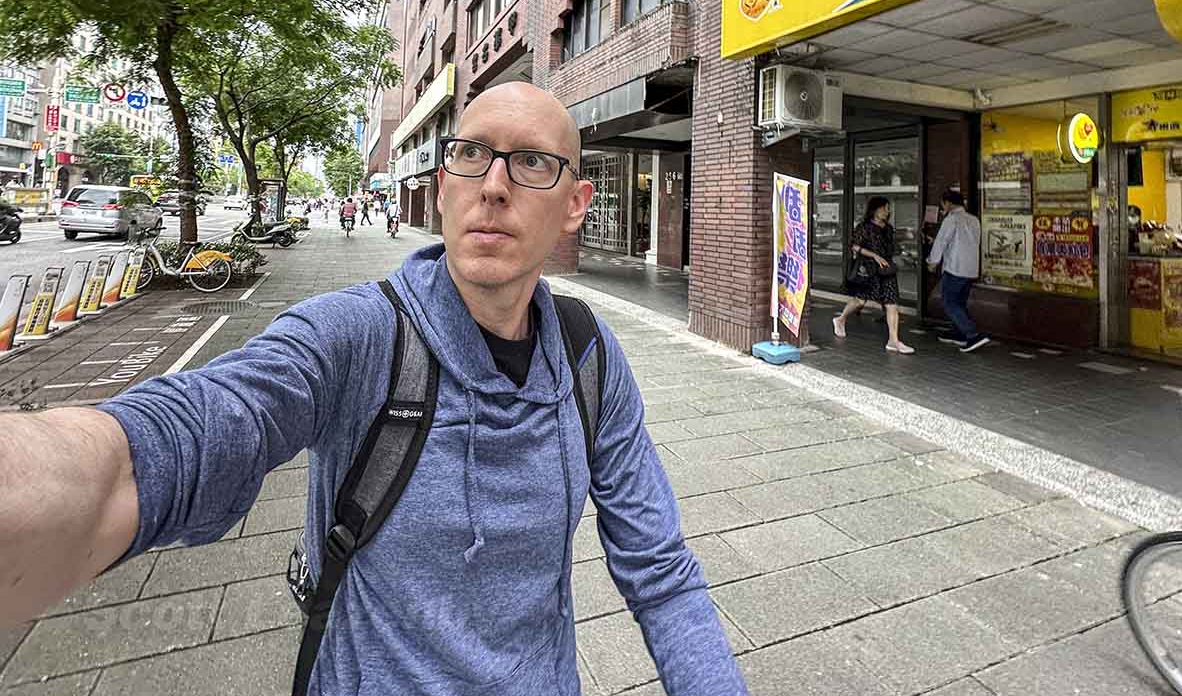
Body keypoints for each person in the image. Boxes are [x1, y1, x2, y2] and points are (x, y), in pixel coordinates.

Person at [0, 82, 748, 696]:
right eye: (472, 156)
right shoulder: (355, 335)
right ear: (444, 184)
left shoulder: (588, 356)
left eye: (530, 164)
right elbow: (179, 438)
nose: (493, 186)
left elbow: (659, 570)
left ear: (576, 204)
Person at [833, 196, 914, 354]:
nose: (887, 211)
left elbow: (892, 248)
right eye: (884, 208)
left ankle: (893, 340)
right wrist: (874, 256)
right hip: (869, 269)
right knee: (860, 300)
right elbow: (855, 246)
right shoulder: (864, 227)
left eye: (888, 208)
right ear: (875, 210)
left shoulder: (889, 228)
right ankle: (841, 319)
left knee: (892, 303)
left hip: (886, 269)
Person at [928, 188, 988, 353]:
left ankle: (973, 334)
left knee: (949, 303)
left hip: (955, 268)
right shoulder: (974, 220)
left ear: (947, 203)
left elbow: (942, 241)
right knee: (959, 303)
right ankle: (958, 333)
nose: (942, 207)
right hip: (971, 269)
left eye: (943, 203)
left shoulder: (951, 219)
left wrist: (933, 261)